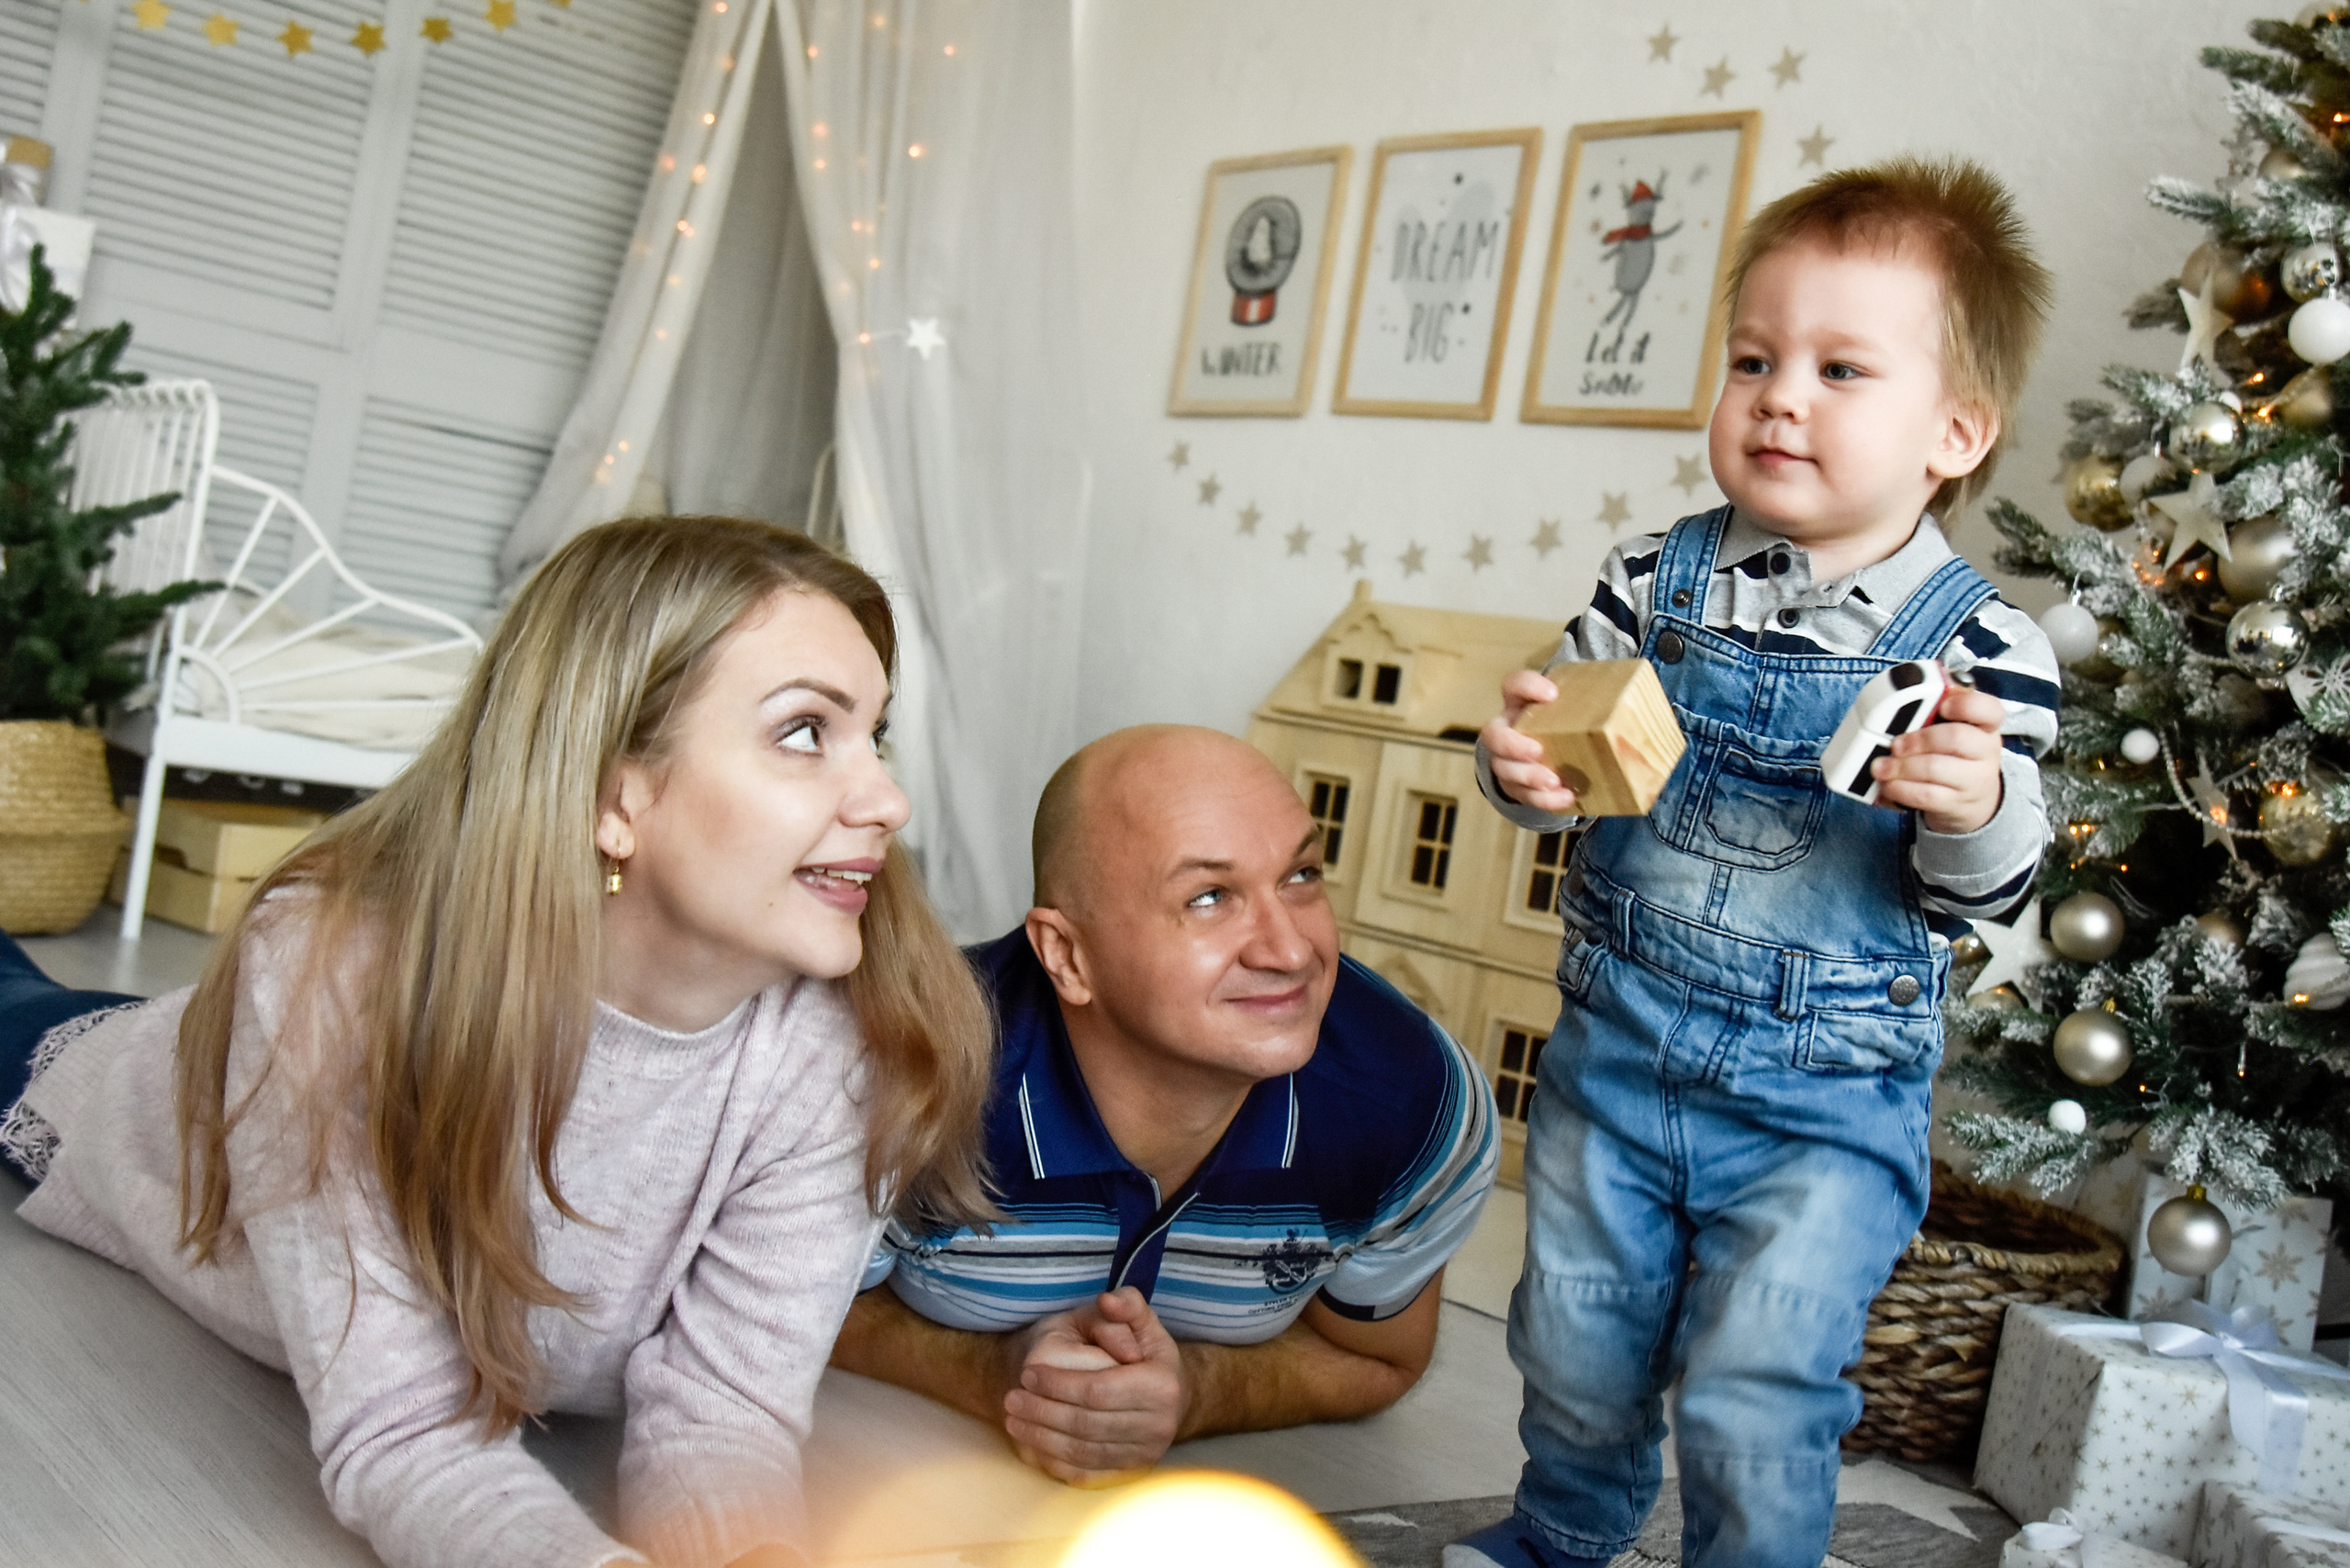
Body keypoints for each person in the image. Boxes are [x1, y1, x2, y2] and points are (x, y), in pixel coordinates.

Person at [0, 517, 997, 1568]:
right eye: (805, 731)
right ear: (620, 792)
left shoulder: (837, 1052)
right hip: (93, 1083)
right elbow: (401, 1424)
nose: (888, 800)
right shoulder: (330, 969)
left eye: (874, 736)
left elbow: (724, 1414)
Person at [1456, 159, 2062, 1568]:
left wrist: (1965, 807)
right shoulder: (1645, 581)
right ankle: (1564, 1528)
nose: (1780, 395)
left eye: (1842, 368)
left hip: (1825, 1108)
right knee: (1575, 1340)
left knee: (1755, 1392)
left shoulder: (1983, 655)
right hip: (1618, 1055)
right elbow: (1554, 765)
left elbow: (1989, 894)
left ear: (1955, 432)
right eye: (1753, 358)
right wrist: (1521, 766)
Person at [829, 724, 1497, 1485]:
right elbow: (783, 1312)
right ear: (1068, 957)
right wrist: (992, 1377)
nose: (1291, 951)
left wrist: (1198, 1394)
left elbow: (1377, 1358)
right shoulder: (894, 1077)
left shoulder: (1413, 1104)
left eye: (1301, 875)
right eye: (1210, 898)